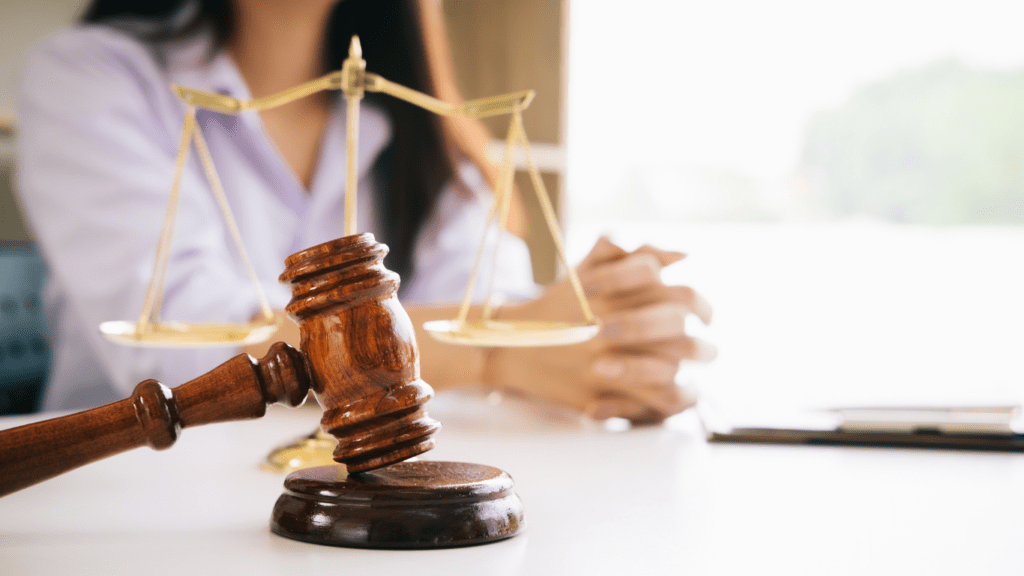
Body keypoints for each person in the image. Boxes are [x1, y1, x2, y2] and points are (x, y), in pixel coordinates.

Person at [17, 0, 715, 422]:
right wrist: (504, 349)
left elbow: (488, 298)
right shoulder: (89, 77)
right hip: (133, 496)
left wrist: (611, 335)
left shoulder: (419, 129)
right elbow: (193, 356)